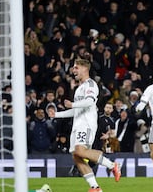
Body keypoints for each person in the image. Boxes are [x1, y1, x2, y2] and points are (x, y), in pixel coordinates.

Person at [48, 58, 121, 192]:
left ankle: (112, 165)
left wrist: (73, 104)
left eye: (76, 68)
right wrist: (56, 115)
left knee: (80, 151)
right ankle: (95, 187)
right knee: (76, 156)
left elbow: (89, 101)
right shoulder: (79, 88)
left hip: (87, 124)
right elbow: (76, 110)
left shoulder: (91, 85)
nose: (73, 70)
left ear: (84, 68)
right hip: (77, 125)